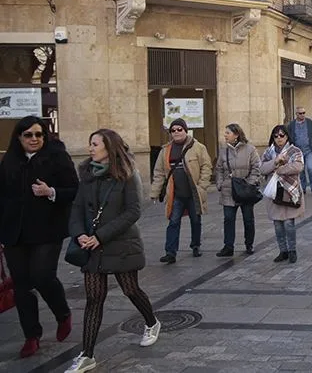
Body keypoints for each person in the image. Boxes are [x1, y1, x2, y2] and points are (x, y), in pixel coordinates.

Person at [66, 129, 160, 373]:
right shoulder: (86, 174)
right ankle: (87, 355)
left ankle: (151, 322)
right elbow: (76, 209)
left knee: (131, 290)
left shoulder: (128, 174)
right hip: (92, 247)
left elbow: (133, 212)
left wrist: (100, 236)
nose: (90, 148)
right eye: (90, 144)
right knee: (94, 299)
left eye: (94, 144)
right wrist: (80, 234)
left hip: (121, 245)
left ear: (109, 147)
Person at [0, 116, 78, 359]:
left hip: (47, 230)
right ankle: (31, 335)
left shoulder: (57, 157)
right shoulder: (9, 161)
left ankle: (62, 313)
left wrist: (51, 192)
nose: (34, 139)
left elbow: (74, 190)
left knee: (43, 277)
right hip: (15, 233)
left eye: (38, 135)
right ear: (19, 138)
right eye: (28, 135)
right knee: (22, 285)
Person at [150, 118, 212, 264]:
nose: (176, 132)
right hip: (176, 194)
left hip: (193, 192)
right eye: (173, 130)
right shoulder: (165, 150)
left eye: (180, 129)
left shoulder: (197, 147)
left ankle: (195, 245)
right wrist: (154, 192)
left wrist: (202, 186)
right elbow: (159, 172)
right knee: (173, 221)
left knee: (195, 220)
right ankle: (170, 252)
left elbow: (206, 166)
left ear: (185, 130)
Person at [213, 123, 261, 257]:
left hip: (245, 189)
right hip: (228, 189)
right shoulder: (223, 151)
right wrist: (220, 183)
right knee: (228, 218)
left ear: (236, 135)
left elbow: (256, 167)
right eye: (225, 133)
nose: (225, 135)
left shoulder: (250, 149)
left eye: (227, 133)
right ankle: (228, 247)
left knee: (248, 219)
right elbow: (219, 169)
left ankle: (249, 244)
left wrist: (250, 183)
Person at [260, 125, 304, 264]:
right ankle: (282, 251)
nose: (279, 138)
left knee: (289, 223)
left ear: (287, 136)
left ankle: (292, 250)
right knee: (278, 224)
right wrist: (275, 162)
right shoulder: (268, 152)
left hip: (290, 191)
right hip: (274, 193)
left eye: (282, 135)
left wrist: (280, 169)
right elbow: (262, 168)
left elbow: (298, 167)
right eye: (276, 136)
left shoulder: (294, 151)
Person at [286, 107, 312, 195]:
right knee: (301, 170)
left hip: (309, 150)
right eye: (300, 113)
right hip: (298, 151)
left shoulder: (310, 122)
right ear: (296, 114)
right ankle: (303, 188)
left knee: (310, 168)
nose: (302, 115)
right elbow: (288, 136)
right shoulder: (291, 125)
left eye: (304, 113)